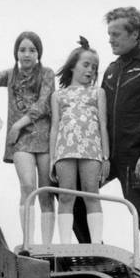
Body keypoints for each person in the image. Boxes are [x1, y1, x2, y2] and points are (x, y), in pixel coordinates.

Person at [86, 7, 140, 278]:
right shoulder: (111, 70)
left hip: (139, 155)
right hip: (109, 156)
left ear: (134, 34)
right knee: (74, 195)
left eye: (116, 34)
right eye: (108, 34)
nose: (110, 39)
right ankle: (93, 254)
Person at [0, 31, 55, 240]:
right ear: (16, 52)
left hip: (43, 137)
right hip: (21, 142)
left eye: (32, 50)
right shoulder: (10, 75)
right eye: (22, 50)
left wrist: (18, 125)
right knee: (27, 186)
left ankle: (47, 244)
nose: (27, 54)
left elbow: (43, 104)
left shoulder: (47, 73)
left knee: (46, 190)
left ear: (38, 53)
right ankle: (28, 241)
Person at [49, 38, 109, 244]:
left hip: (91, 149)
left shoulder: (97, 92)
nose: (90, 70)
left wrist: (106, 157)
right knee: (66, 196)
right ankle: (65, 243)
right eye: (86, 64)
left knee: (91, 194)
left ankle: (96, 242)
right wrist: (52, 159)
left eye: (94, 67)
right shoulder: (58, 95)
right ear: (72, 66)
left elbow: (103, 124)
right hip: (65, 150)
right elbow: (55, 127)